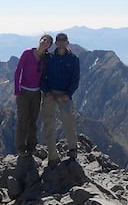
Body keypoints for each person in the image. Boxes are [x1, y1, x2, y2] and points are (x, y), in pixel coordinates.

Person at [40, 32, 80, 166]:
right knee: (48, 123)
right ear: (56, 43)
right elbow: (42, 76)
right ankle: (52, 155)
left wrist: (68, 94)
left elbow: (75, 79)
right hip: (50, 94)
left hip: (65, 95)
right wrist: (47, 92)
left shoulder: (73, 59)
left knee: (69, 122)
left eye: (64, 40)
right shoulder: (49, 58)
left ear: (67, 42)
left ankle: (73, 149)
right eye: (59, 40)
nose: (62, 42)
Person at [14, 34, 53, 156]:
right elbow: (18, 70)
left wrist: (67, 51)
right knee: (23, 120)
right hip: (23, 92)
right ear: (40, 40)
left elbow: (56, 63)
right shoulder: (27, 53)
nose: (45, 42)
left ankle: (31, 147)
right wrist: (17, 89)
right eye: (44, 39)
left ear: (49, 46)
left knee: (33, 121)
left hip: (36, 93)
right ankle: (21, 148)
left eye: (48, 41)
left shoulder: (46, 58)